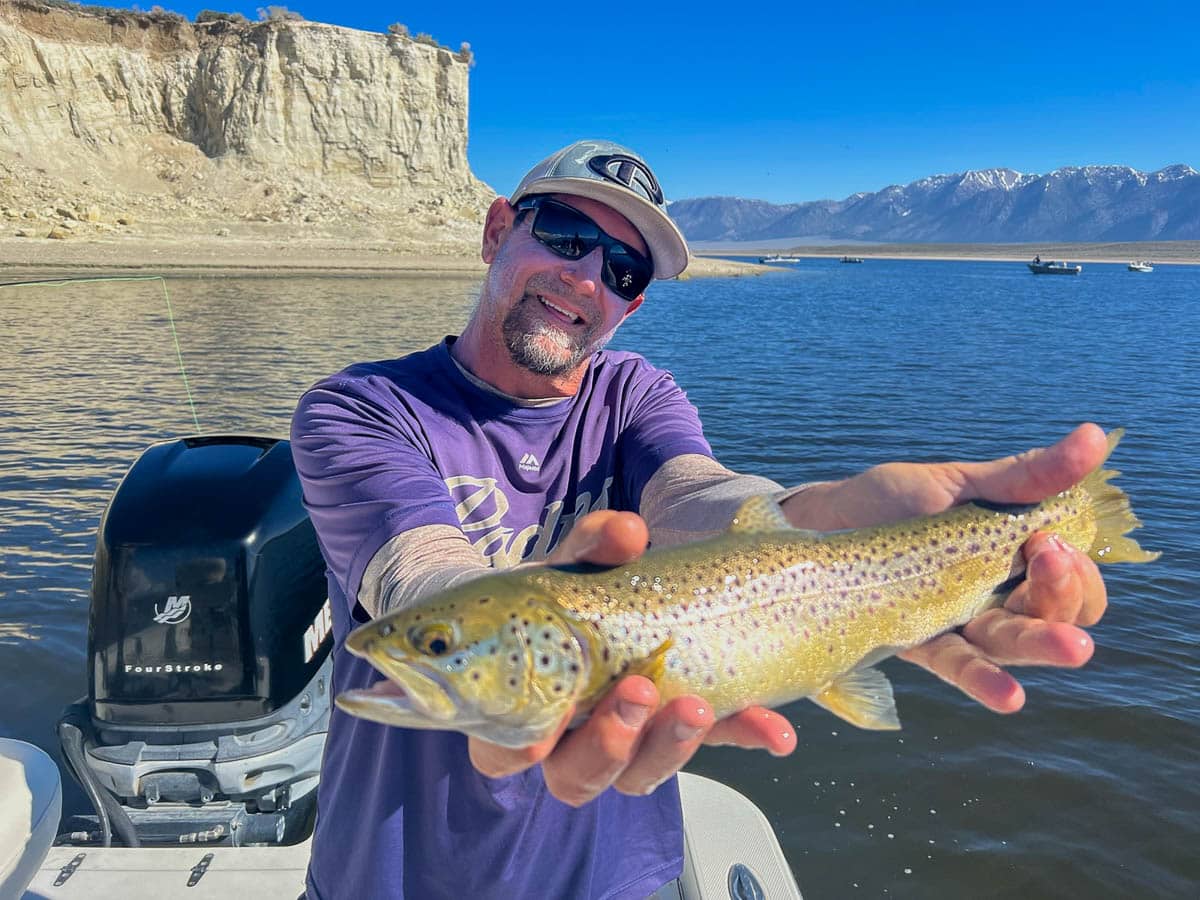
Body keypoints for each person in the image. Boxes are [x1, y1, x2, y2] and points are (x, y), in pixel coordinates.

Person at [291, 139, 1110, 900]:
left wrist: (806, 516)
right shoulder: (358, 410)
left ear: (632, 304)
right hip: (394, 875)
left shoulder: (635, 395)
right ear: (498, 228)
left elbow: (692, 496)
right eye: (568, 234)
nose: (587, 277)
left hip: (619, 879)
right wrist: (478, 633)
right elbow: (422, 574)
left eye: (622, 268)